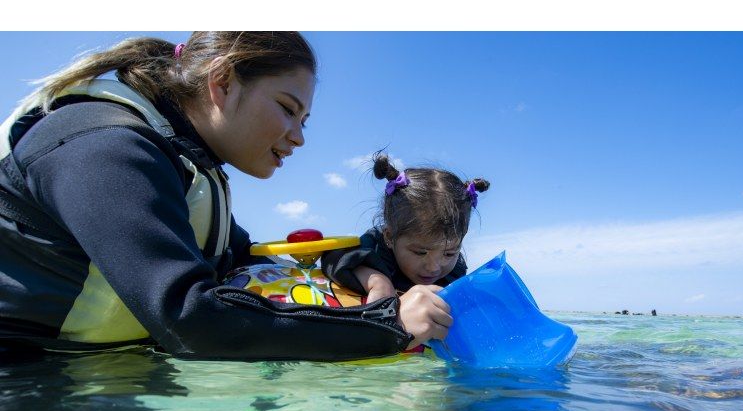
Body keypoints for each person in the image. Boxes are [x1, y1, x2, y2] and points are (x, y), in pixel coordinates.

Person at [0, 32, 451, 360]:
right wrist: (386, 327)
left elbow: (241, 257)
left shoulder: (185, 162)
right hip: (23, 374)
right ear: (223, 82)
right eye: (287, 109)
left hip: (86, 369)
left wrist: (369, 275)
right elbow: (190, 319)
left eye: (305, 120)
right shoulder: (106, 148)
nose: (298, 137)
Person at [322, 153, 490, 303]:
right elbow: (333, 256)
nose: (434, 267)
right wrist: (377, 280)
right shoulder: (375, 249)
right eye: (420, 252)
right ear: (389, 237)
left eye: (449, 253)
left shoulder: (454, 274)